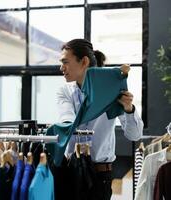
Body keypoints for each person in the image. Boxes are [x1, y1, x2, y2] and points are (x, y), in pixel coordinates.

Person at [55, 39, 143, 200]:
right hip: (68, 171)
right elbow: (67, 121)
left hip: (99, 175)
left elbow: (135, 135)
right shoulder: (65, 92)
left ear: (84, 62)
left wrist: (129, 109)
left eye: (65, 62)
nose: (61, 68)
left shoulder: (113, 92)